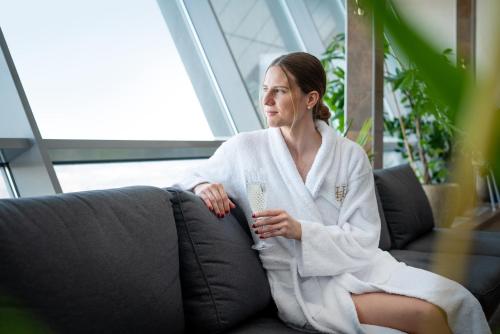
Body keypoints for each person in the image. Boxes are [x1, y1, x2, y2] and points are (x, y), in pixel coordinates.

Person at [172, 52, 490, 334]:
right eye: (264, 89)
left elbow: (365, 237)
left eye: (279, 91)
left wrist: (300, 231)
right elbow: (186, 176)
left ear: (311, 99)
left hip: (360, 267)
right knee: (427, 315)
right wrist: (202, 185)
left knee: (459, 301)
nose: (266, 100)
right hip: (304, 286)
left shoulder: (349, 156)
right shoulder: (245, 149)